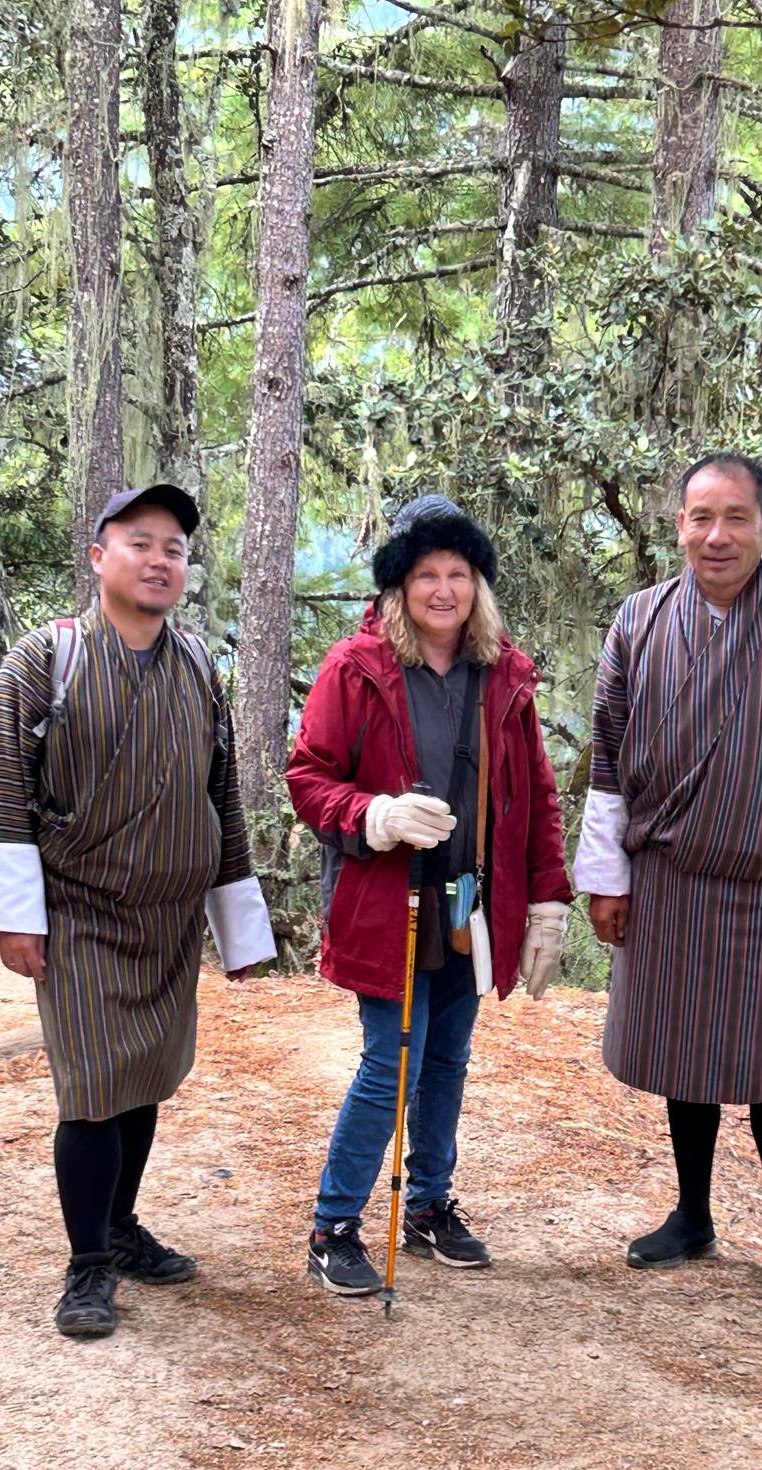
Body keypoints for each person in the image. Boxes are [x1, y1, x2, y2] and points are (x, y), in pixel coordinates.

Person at [0, 484, 276, 1338]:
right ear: (99, 557)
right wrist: (15, 917)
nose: (159, 560)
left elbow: (222, 795)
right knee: (94, 1089)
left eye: (175, 548)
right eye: (141, 542)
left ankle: (122, 1226)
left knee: (144, 1078)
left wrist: (237, 925)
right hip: (81, 914)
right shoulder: (46, 659)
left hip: (170, 920)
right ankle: (88, 1264)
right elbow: (5, 793)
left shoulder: (198, 665)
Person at [572, 452, 762, 1301]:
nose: (717, 535)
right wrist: (606, 875)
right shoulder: (640, 619)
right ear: (679, 525)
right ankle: (693, 1214)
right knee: (685, 1053)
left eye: (736, 517)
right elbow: (607, 757)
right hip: (666, 880)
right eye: (701, 517)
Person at [286, 495, 571, 1295]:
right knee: (392, 1064)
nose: (444, 590)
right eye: (426, 575)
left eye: (459, 574)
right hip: (389, 901)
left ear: (478, 585)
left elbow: (537, 797)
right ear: (399, 587)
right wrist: (373, 815)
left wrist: (548, 900)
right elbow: (308, 779)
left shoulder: (503, 674)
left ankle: (429, 1205)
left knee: (447, 1059)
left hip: (469, 903)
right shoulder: (357, 668)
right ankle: (334, 1226)